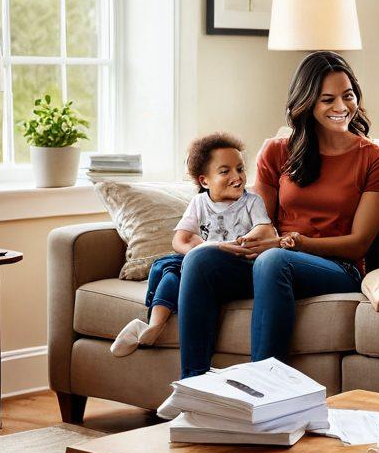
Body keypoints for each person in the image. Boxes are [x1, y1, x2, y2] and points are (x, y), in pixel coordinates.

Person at [176, 51, 379, 379]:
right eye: (327, 99)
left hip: (337, 267)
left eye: (347, 96)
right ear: (306, 102)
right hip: (273, 258)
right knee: (199, 260)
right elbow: (260, 222)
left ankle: (264, 390)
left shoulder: (378, 160)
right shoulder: (278, 150)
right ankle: (193, 389)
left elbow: (359, 244)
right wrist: (249, 241)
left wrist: (295, 244)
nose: (341, 107)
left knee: (273, 261)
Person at [110, 133, 276, 357]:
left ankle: (155, 325)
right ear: (204, 181)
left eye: (240, 168)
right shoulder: (199, 203)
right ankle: (153, 325)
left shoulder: (251, 201)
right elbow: (181, 240)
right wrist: (209, 247)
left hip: (236, 265)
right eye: (225, 171)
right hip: (204, 260)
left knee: (176, 267)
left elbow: (264, 230)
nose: (237, 177)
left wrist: (243, 241)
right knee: (166, 266)